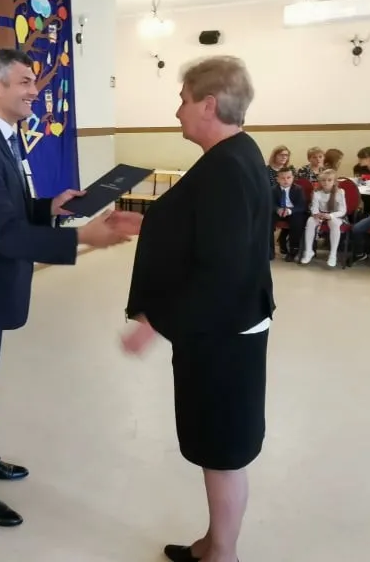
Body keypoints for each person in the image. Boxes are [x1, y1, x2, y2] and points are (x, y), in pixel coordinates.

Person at [0, 49, 142, 528]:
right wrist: (83, 237)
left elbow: (5, 209)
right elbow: (2, 232)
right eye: (24, 81)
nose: (34, 91)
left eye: (34, 82)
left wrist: (48, 207)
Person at [120, 56, 275, 562]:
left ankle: (222, 555)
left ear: (209, 105)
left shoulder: (226, 167)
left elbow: (221, 267)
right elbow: (206, 229)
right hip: (227, 326)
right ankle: (214, 542)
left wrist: (155, 323)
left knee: (222, 452)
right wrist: (144, 224)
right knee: (218, 449)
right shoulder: (235, 154)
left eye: (183, 100)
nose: (177, 111)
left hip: (223, 333)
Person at [300, 169, 347, 268]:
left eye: (329, 180)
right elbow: (314, 207)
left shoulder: (340, 192)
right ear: (320, 181)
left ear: (334, 182)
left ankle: (333, 254)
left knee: (334, 223)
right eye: (323, 180)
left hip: (335, 215)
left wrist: (330, 216)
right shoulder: (317, 192)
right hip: (321, 214)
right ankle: (309, 251)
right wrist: (316, 214)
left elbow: (342, 211)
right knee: (310, 221)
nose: (326, 182)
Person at [271, 166, 307, 261]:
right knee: (268, 220)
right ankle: (270, 250)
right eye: (282, 178)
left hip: (293, 211)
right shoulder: (273, 190)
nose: (286, 180)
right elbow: (271, 203)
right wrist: (277, 209)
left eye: (288, 177)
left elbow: (301, 205)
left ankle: (293, 250)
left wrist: (290, 211)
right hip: (279, 211)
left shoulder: (298, 189)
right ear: (278, 179)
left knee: (297, 221)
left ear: (293, 178)